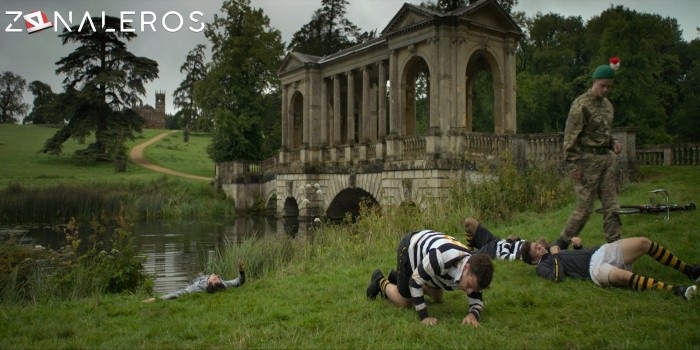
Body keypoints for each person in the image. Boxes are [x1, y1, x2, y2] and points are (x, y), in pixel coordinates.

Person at [555, 58, 623, 250]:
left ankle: (615, 245)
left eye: (609, 87)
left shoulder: (608, 106)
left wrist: (614, 143)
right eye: (603, 86)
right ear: (595, 82)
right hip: (586, 162)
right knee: (584, 208)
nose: (606, 90)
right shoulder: (581, 105)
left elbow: (605, 133)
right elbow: (570, 137)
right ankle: (561, 243)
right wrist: (573, 165)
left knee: (612, 206)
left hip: (606, 160)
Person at [366, 229, 494, 327]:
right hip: (410, 249)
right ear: (466, 267)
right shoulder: (440, 257)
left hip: (428, 260)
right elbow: (415, 281)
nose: (469, 291)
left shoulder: (477, 272)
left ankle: (398, 280)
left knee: (437, 297)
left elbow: (477, 300)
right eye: (470, 285)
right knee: (405, 302)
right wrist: (424, 317)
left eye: (474, 289)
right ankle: (380, 280)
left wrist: (473, 314)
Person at [521, 236, 699, 301]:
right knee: (624, 277)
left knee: (644, 243)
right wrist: (556, 256)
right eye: (535, 249)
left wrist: (577, 246)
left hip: (600, 251)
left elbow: (574, 260)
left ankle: (689, 271)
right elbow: (557, 278)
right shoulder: (542, 267)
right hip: (594, 270)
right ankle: (676, 291)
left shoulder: (554, 254)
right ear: (533, 260)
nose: (538, 246)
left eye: (536, 244)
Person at [463, 217, 576, 260]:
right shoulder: (530, 246)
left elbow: (503, 256)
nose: (539, 243)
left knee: (460, 254)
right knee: (469, 222)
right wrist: (517, 239)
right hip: (495, 241)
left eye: (540, 246)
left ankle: (470, 253)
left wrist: (509, 241)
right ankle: (471, 250)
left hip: (491, 251)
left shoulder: (525, 255)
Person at [142, 261, 245, 302]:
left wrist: (156, 299)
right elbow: (239, 281)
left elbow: (176, 294)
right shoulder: (223, 284)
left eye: (215, 279)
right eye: (218, 278)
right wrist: (241, 270)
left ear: (209, 284)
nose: (217, 276)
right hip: (200, 276)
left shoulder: (195, 289)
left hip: (193, 282)